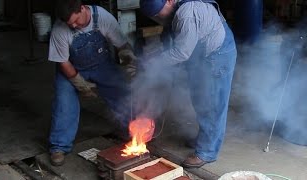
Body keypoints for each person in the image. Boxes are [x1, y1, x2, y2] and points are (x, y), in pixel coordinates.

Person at [139, 0, 237, 168]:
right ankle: (205, 137)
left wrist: (155, 63)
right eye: (154, 16)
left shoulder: (187, 14)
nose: (158, 18)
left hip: (217, 55)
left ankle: (207, 151)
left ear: (169, 1)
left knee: (211, 104)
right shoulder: (173, 11)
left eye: (158, 13)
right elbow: (171, 40)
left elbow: (181, 52)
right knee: (199, 98)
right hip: (201, 54)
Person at [48, 0, 136, 166]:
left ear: (82, 8)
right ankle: (59, 146)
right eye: (70, 23)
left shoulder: (102, 17)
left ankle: (133, 131)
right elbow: (63, 63)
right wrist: (80, 84)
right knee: (64, 104)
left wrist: (127, 56)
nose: (73, 26)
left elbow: (121, 43)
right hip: (71, 68)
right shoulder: (59, 29)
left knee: (122, 93)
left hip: (101, 65)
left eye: (76, 21)